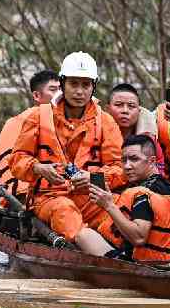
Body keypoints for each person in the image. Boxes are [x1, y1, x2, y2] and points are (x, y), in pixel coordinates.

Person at [9, 51, 126, 251]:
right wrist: (38, 167)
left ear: (93, 86)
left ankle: (129, 253)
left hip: (91, 197)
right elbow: (17, 161)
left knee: (123, 206)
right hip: (49, 198)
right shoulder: (38, 117)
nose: (79, 91)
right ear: (62, 84)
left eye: (85, 85)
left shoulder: (106, 122)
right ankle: (106, 258)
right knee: (65, 210)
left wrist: (92, 178)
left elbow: (119, 170)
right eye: (74, 84)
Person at [85, 135, 170, 261]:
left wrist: (109, 205)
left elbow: (139, 238)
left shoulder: (146, 191)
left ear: (152, 161)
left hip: (142, 264)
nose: (127, 166)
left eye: (134, 159)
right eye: (124, 160)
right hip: (164, 259)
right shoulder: (165, 185)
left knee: (84, 235)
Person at [0, 70, 61, 198]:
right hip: (38, 197)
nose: (59, 95)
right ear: (36, 95)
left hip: (9, 198)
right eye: (53, 90)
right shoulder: (52, 121)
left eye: (61, 90)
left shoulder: (12, 122)